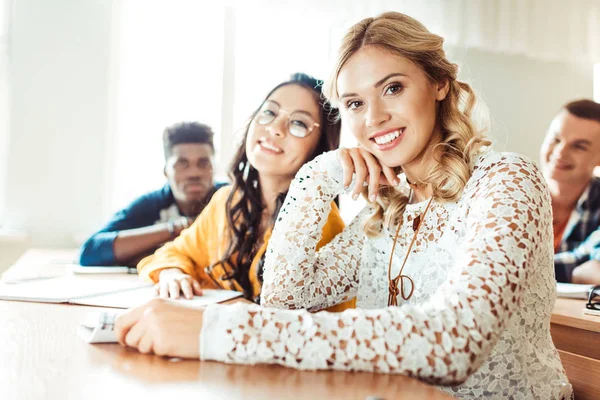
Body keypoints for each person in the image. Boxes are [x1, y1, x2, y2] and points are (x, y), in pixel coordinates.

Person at [115, 13, 572, 399]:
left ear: (439, 83)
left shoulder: (507, 180)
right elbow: (285, 299)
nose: (373, 119)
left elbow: (455, 341)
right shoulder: (388, 211)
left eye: (392, 88)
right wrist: (319, 174)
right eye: (355, 102)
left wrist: (214, 331)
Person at [135, 73, 352, 311]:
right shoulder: (227, 200)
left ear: (320, 146)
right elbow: (174, 253)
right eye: (269, 112)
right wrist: (171, 274)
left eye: (298, 123)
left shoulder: (321, 219)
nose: (275, 129)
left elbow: (322, 327)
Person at [79, 122, 226, 267]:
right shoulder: (152, 204)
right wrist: (177, 228)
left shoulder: (232, 198)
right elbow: (90, 252)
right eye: (182, 164)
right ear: (166, 171)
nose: (194, 173)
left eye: (203, 163)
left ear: (214, 168)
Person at [540, 99, 600, 284]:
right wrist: (575, 273)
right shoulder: (510, 194)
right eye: (556, 139)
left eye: (579, 146)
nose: (560, 151)